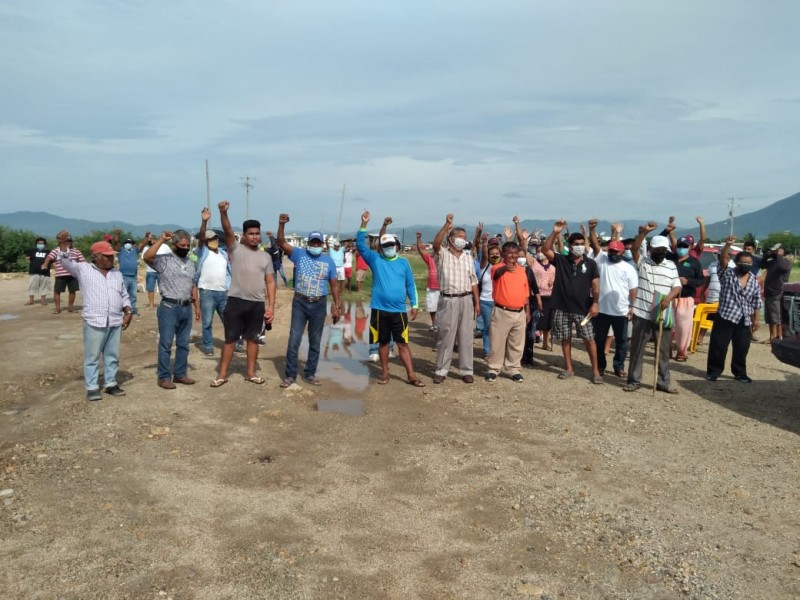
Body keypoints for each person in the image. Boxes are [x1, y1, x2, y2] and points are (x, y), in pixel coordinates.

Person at [211, 201, 276, 387]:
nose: (255, 237)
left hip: (256, 304)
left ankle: (251, 373)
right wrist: (223, 212)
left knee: (253, 339)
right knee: (230, 339)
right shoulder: (235, 248)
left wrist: (270, 307)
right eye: (251, 234)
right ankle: (222, 375)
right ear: (244, 235)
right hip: (235, 302)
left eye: (257, 234)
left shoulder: (266, 257)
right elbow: (228, 229)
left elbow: (270, 282)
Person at [58, 240, 133, 400]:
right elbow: (64, 262)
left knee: (112, 355)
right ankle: (92, 387)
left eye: (112, 256)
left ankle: (110, 383)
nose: (111, 259)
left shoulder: (116, 274)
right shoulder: (83, 269)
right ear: (96, 256)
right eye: (107, 256)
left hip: (114, 321)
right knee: (92, 357)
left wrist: (128, 310)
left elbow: (123, 294)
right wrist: (63, 245)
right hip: (94, 321)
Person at [355, 211, 424, 386]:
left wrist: (415, 305)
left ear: (397, 245)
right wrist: (363, 224)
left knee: (403, 344)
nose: (389, 247)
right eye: (385, 245)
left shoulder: (404, 263)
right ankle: (385, 372)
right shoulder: (375, 259)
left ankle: (411, 375)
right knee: (383, 343)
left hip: (399, 311)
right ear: (381, 248)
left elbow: (410, 285)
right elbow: (360, 246)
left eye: (391, 244)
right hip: (379, 310)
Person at [277, 215, 340, 387]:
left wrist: (337, 305)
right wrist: (281, 224)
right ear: (308, 243)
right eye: (312, 242)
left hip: (319, 304)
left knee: (315, 340)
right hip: (300, 302)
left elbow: (334, 285)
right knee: (294, 339)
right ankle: (290, 375)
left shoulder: (328, 261)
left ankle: (310, 373)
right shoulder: (299, 254)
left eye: (318, 243)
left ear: (322, 244)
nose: (315, 245)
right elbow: (281, 242)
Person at [541, 220, 602, 383]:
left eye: (582, 244)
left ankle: (595, 371)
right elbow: (545, 249)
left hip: (584, 309)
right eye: (576, 244)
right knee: (565, 338)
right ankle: (569, 368)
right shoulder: (561, 260)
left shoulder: (591, 263)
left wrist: (595, 303)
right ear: (570, 245)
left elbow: (595, 286)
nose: (580, 247)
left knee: (589, 339)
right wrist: (555, 232)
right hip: (561, 307)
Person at [624, 225, 682, 393]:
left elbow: (677, 287)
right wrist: (644, 232)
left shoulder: (671, 265)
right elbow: (635, 248)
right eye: (657, 249)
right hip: (642, 312)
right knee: (637, 349)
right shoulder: (643, 262)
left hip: (663, 314)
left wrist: (669, 299)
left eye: (663, 250)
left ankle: (663, 382)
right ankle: (634, 380)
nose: (660, 252)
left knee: (663, 350)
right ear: (651, 249)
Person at [144, 229, 198, 390]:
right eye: (182, 245)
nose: (185, 247)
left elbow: (192, 285)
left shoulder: (190, 263)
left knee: (183, 344)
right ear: (174, 245)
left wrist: (197, 306)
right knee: (166, 344)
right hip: (169, 307)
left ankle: (180, 374)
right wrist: (161, 240)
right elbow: (147, 257)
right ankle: (164, 377)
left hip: (186, 307)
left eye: (188, 245)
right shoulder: (165, 260)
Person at [431, 214, 480, 384]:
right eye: (460, 237)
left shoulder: (468, 258)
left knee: (466, 336)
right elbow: (436, 244)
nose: (462, 241)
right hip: (448, 300)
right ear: (451, 239)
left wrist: (476, 302)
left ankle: (466, 370)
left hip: (466, 299)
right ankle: (441, 370)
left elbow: (473, 281)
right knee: (446, 335)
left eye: (464, 238)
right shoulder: (442, 255)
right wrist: (446, 225)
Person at [706, 236, 762, 382]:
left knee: (742, 348)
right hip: (726, 315)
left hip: (744, 319)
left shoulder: (754, 280)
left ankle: (739, 373)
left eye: (748, 263)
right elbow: (723, 258)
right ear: (736, 263)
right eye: (743, 262)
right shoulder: (727, 274)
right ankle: (713, 372)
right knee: (719, 345)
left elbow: (756, 301)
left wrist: (756, 319)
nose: (746, 264)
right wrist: (727, 245)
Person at [588, 222, 638, 378]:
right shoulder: (602, 260)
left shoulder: (629, 268)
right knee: (599, 340)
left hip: (621, 311)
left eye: (616, 251)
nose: (613, 253)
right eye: (611, 251)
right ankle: (601, 366)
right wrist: (592, 229)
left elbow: (633, 290)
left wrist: (632, 307)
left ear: (622, 253)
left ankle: (618, 366)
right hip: (602, 310)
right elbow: (595, 245)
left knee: (622, 342)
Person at [484, 241, 530, 382]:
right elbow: (497, 274)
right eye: (509, 253)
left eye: (515, 253)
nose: (513, 256)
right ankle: (493, 368)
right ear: (503, 254)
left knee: (516, 344)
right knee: (497, 342)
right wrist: (505, 268)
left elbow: (526, 293)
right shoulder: (496, 267)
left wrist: (527, 311)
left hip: (519, 312)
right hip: (501, 311)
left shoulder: (522, 270)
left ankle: (513, 369)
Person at [194, 208, 231, 356]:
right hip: (207, 292)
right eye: (210, 239)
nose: (213, 241)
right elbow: (201, 239)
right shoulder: (202, 252)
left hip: (223, 292)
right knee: (207, 321)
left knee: (229, 321)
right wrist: (204, 221)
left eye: (214, 238)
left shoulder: (223, 254)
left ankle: (232, 343)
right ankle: (208, 346)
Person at [667, 235, 704, 361]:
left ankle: (681, 352)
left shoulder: (694, 262)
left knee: (683, 328)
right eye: (679, 246)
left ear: (690, 247)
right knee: (667, 325)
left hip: (686, 299)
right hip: (669, 297)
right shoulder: (669, 258)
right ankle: (666, 350)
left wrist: (688, 281)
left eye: (684, 246)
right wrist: (670, 231)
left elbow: (700, 280)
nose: (681, 248)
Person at [42, 230, 85, 314]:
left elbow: (83, 262)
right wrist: (45, 264)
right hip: (60, 274)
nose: (68, 242)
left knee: (72, 291)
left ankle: (70, 307)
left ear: (71, 242)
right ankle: (57, 308)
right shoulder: (57, 250)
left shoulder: (76, 251)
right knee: (57, 291)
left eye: (69, 241)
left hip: (73, 275)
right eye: (66, 241)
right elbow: (49, 257)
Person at [476, 235, 502, 357]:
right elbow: (485, 255)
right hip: (485, 301)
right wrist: (484, 242)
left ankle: (498, 351)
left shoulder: (503, 266)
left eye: (497, 253)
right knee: (487, 328)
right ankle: (487, 351)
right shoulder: (484, 267)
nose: (494, 255)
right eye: (492, 253)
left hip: (500, 302)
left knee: (499, 329)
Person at [761, 243, 792, 343]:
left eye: (777, 250)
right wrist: (767, 255)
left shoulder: (785, 262)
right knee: (770, 317)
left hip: (778, 292)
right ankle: (772, 336)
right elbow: (762, 264)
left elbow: (783, 268)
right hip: (769, 291)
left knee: (776, 317)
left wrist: (778, 255)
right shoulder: (773, 262)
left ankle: (776, 337)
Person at [113, 229, 147, 317]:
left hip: (133, 276)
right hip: (123, 276)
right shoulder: (121, 251)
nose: (128, 244)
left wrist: (146, 237)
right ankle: (121, 310)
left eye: (130, 243)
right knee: (122, 294)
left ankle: (132, 311)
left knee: (133, 295)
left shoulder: (135, 251)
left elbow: (142, 244)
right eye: (126, 243)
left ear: (133, 244)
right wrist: (117, 234)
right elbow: (116, 242)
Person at [416, 231, 441, 332]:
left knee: (442, 309)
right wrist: (418, 239)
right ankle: (434, 324)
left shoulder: (444, 259)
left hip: (442, 288)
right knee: (432, 308)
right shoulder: (429, 259)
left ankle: (441, 325)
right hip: (431, 288)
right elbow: (421, 250)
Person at [25, 237, 51, 306]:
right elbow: (27, 257)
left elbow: (52, 260)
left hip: (45, 272)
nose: (40, 244)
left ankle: (43, 300)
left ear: (45, 244)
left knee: (44, 286)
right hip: (34, 271)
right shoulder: (32, 250)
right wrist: (27, 259)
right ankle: (31, 300)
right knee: (32, 286)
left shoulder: (48, 251)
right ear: (36, 244)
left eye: (42, 243)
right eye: (39, 243)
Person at [141, 232, 161, 309]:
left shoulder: (161, 247)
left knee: (163, 289)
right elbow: (144, 258)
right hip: (150, 271)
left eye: (154, 240)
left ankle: (164, 304)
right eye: (152, 240)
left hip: (160, 271)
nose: (153, 241)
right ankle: (151, 305)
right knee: (150, 289)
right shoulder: (146, 248)